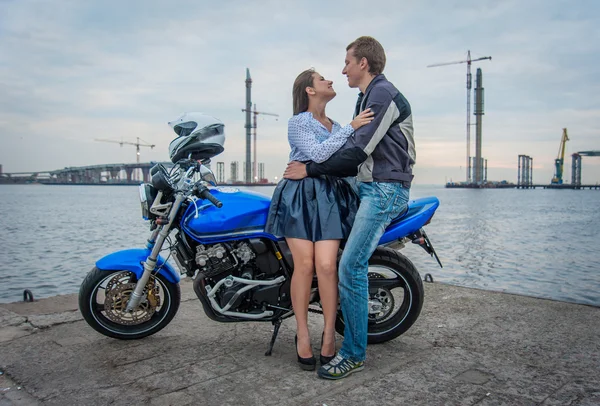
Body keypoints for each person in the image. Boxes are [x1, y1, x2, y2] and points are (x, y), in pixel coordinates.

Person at [283, 36, 415, 380]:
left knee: (350, 266)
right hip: (366, 185)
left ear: (363, 64)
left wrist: (310, 170)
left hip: (385, 188)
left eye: (346, 63)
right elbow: (348, 148)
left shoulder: (381, 95)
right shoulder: (364, 98)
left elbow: (356, 151)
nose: (341, 70)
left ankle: (353, 353)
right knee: (326, 263)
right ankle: (314, 332)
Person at [265, 68, 374, 371]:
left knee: (327, 265)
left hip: (327, 196)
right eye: (322, 79)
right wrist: (351, 128)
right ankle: (302, 332)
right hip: (298, 196)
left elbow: (340, 162)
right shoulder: (297, 122)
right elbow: (319, 153)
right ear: (309, 90)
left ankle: (328, 334)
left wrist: (347, 130)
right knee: (305, 265)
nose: (330, 81)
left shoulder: (337, 125)